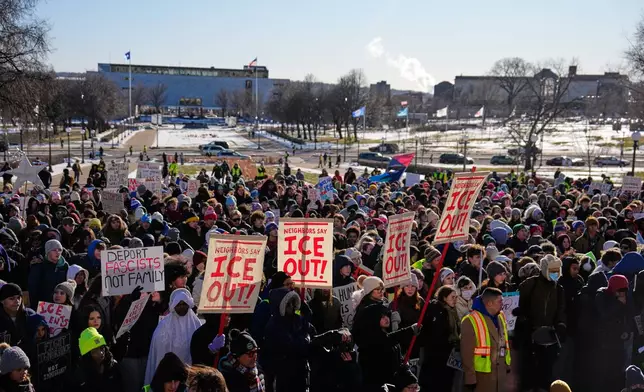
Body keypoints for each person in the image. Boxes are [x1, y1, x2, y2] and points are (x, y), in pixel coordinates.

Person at [145, 288, 201, 384]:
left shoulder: (195, 323)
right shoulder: (164, 325)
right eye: (178, 304)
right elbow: (159, 354)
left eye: (184, 304)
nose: (182, 307)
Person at [460, 288, 511, 392]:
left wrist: (507, 364)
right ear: (489, 303)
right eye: (499, 301)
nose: (502, 304)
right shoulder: (470, 320)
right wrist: (470, 377)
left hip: (499, 372)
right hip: (482, 375)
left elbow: (503, 342)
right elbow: (466, 352)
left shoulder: (500, 316)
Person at [418, 285, 460, 391]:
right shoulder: (436, 310)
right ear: (444, 298)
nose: (455, 300)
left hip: (448, 354)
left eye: (456, 297)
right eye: (452, 297)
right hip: (436, 355)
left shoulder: (453, 311)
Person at [71, 327, 123, 392]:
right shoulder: (80, 376)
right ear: (87, 355)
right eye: (95, 350)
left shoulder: (113, 366)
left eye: (102, 348)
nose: (101, 353)